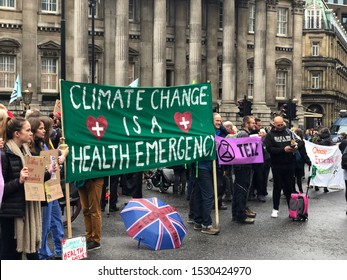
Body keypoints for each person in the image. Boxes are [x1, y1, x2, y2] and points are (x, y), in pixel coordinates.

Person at [0, 117, 42, 259]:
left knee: (29, 254)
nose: (31, 133)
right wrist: (19, 180)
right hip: (11, 215)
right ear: (17, 134)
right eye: (28, 130)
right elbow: (2, 190)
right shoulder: (4, 154)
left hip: (25, 210)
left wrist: (50, 171)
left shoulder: (26, 152)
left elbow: (35, 178)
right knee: (10, 255)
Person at [29, 115, 66, 260]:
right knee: (43, 225)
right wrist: (48, 169)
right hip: (42, 191)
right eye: (41, 128)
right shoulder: (32, 147)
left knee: (53, 220)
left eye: (45, 128)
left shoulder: (42, 144)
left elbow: (53, 156)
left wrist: (56, 162)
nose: (44, 131)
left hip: (50, 187)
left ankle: (56, 251)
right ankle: (42, 254)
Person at [264, 116, 298, 218]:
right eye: (278, 125)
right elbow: (269, 149)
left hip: (289, 163)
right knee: (277, 187)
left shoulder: (289, 132)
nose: (280, 126)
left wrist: (295, 146)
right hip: (277, 164)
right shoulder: (270, 135)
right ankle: (275, 208)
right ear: (274, 124)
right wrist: (283, 150)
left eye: (281, 124)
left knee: (289, 188)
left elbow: (300, 142)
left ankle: (291, 210)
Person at [232, 115, 256, 224]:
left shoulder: (243, 134)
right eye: (252, 123)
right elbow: (243, 151)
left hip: (241, 166)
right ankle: (240, 216)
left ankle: (237, 214)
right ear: (247, 124)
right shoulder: (244, 134)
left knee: (239, 190)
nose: (254, 124)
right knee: (242, 190)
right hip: (243, 167)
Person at [76, 177, 105, 251]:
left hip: (94, 177)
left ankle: (95, 240)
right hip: (80, 179)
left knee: (94, 210)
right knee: (85, 210)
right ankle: (89, 237)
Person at [292, 128, 311, 194]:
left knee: (292, 177)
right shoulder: (301, 142)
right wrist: (309, 162)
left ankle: (293, 190)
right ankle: (300, 191)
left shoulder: (292, 142)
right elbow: (304, 154)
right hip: (299, 163)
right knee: (298, 178)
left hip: (291, 162)